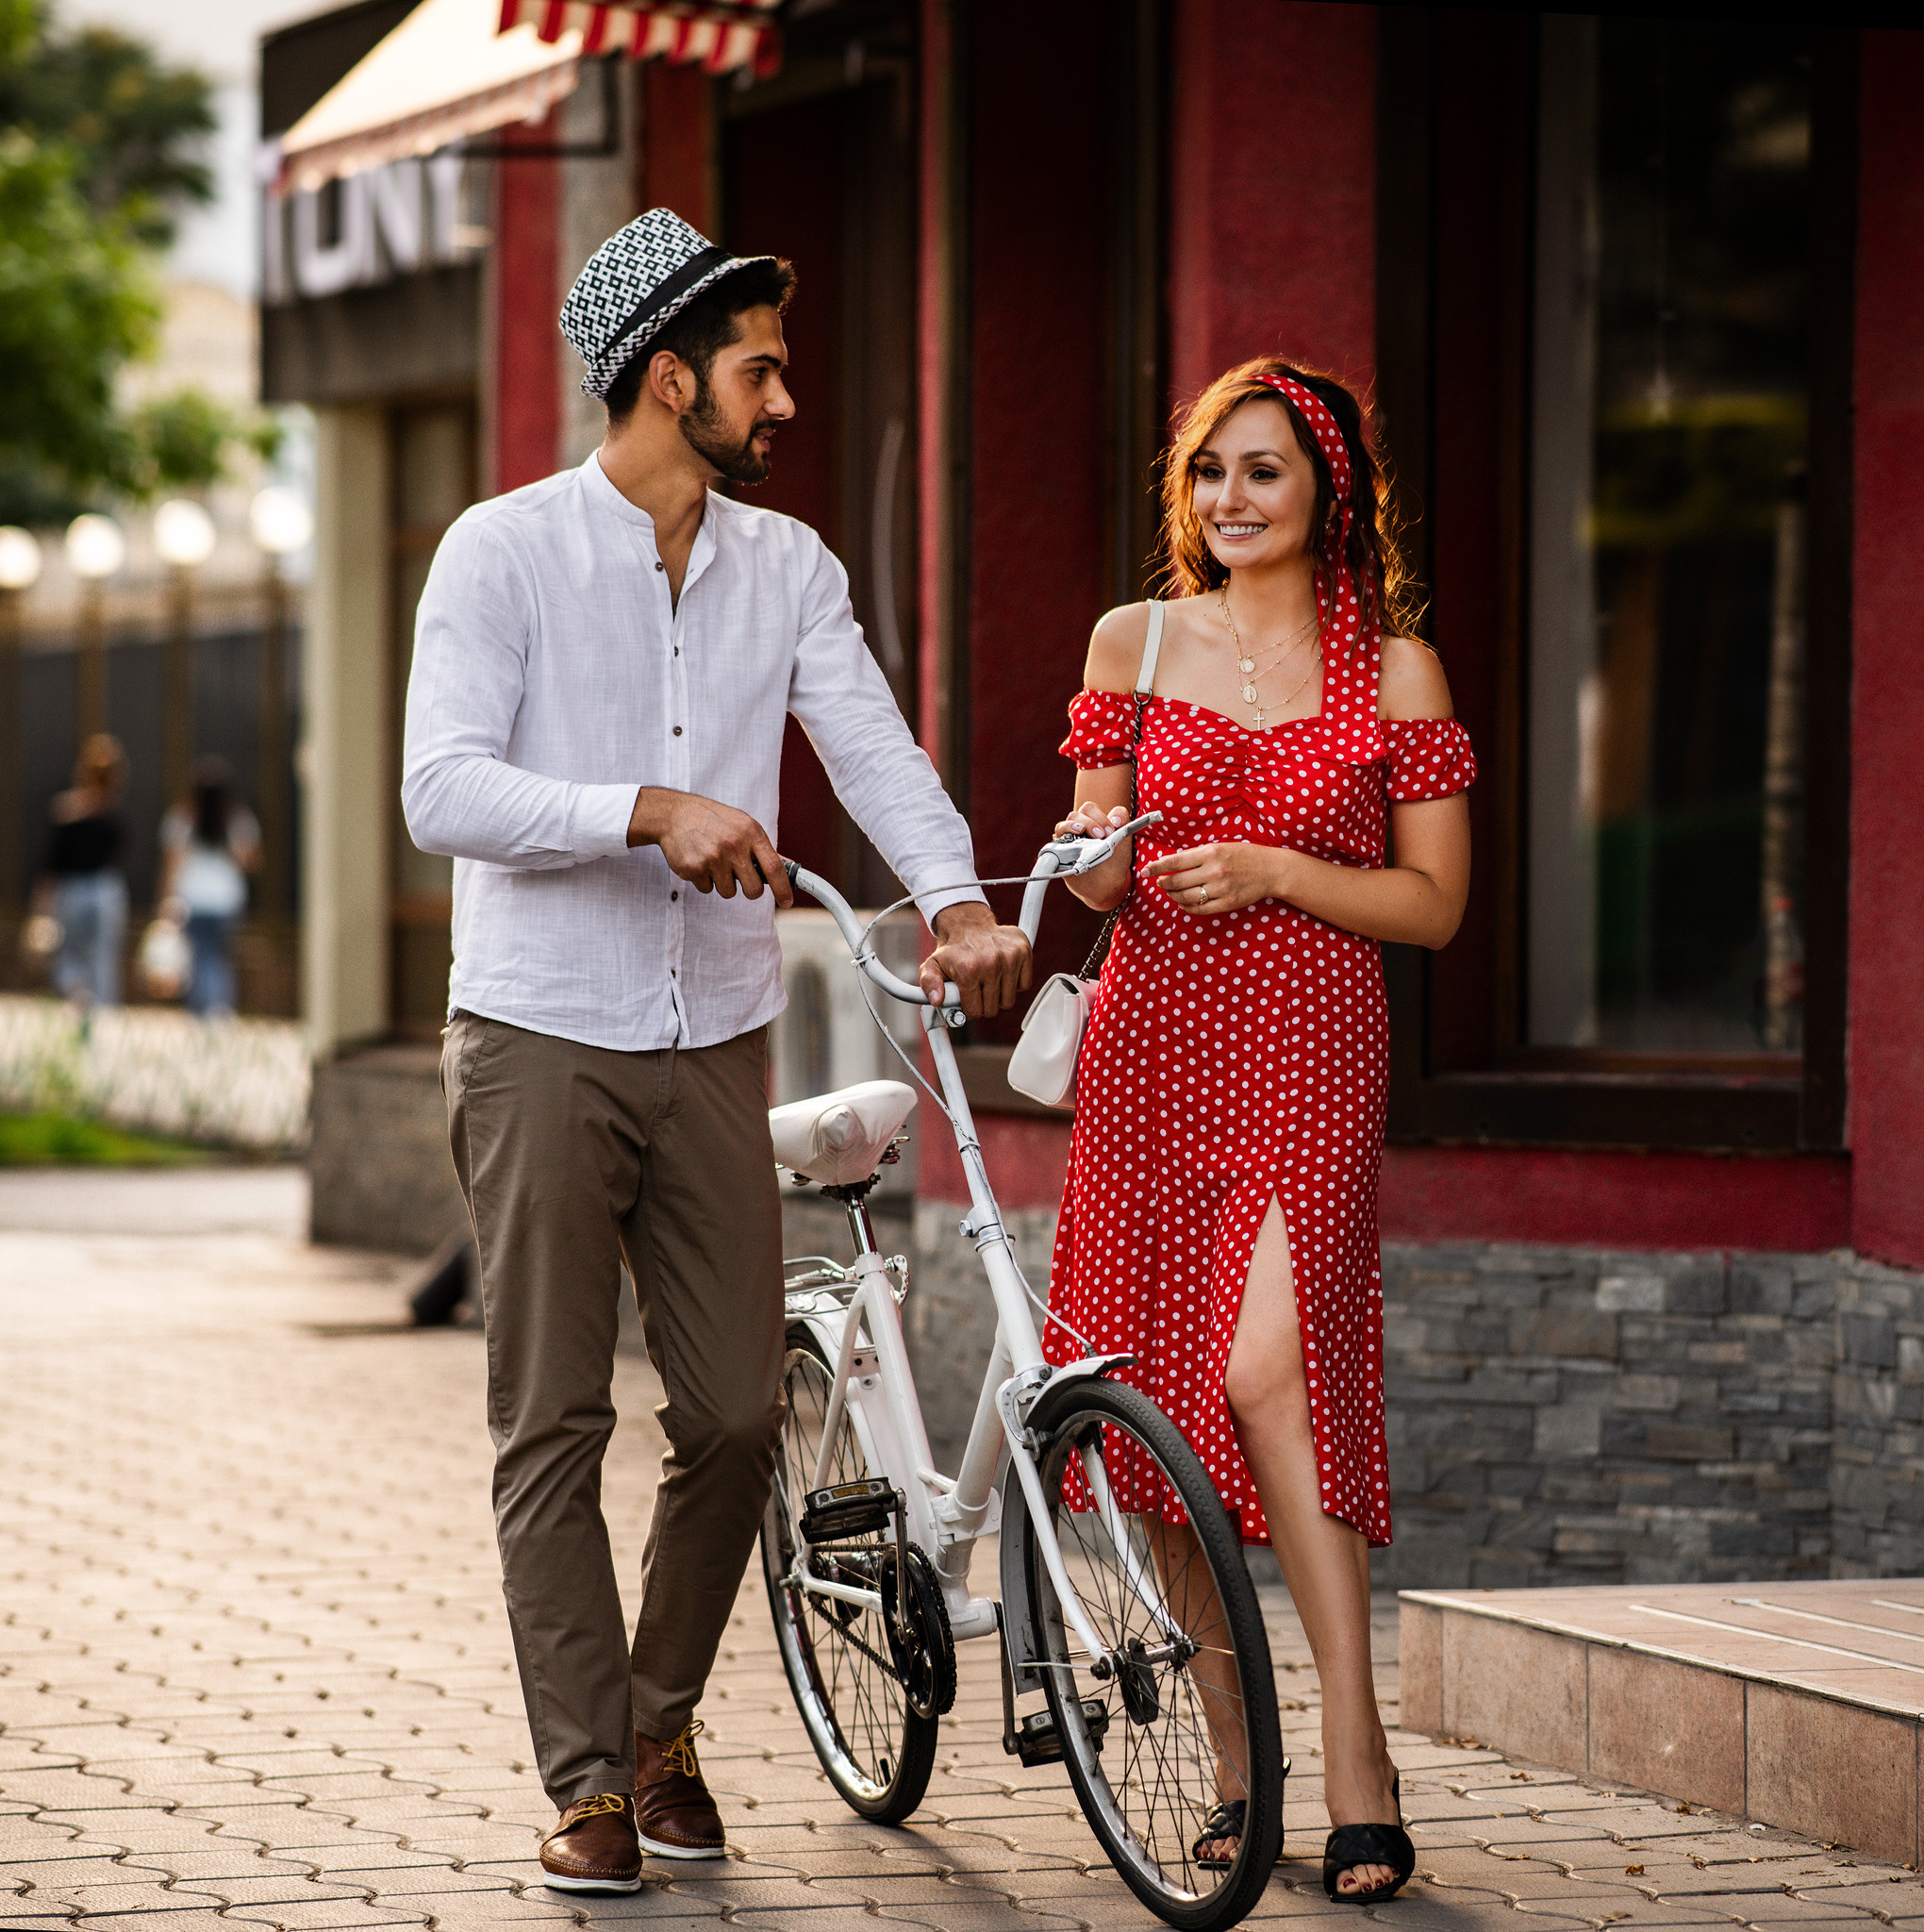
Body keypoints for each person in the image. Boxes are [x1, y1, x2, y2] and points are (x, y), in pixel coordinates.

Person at [400, 208, 1030, 1896]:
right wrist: (644, 812)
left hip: (711, 1032)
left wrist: (959, 901)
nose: (788, 397)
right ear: (669, 377)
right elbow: (439, 788)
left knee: (741, 1409)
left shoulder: (793, 568)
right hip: (537, 1028)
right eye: (760, 366)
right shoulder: (501, 551)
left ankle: (662, 1722)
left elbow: (878, 752)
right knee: (548, 1419)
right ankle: (594, 1776)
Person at [1047, 359, 1474, 1904]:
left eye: (1265, 472)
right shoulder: (1131, 640)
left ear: (1330, 491)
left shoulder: (1396, 673)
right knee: (1165, 1396)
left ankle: (1357, 1753)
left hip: (1308, 1036)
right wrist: (1093, 856)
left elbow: (1434, 905)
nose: (1230, 499)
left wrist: (1280, 870)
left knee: (1267, 1372)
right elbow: (1098, 870)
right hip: (1151, 1039)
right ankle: (1242, 1773)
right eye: (1210, 470)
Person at [158, 757, 260, 1018]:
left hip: (194, 898)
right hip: (225, 900)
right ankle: (219, 1009)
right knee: (219, 958)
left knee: (200, 959)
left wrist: (166, 899)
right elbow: (251, 862)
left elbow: (173, 864)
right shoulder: (238, 820)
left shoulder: (182, 820)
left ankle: (204, 1011)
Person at [40, 734, 130, 1020]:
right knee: (103, 958)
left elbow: (52, 862)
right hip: (105, 890)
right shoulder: (113, 813)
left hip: (71, 890)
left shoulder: (66, 810)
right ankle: (101, 1014)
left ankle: (77, 996)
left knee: (68, 954)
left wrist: (41, 906)